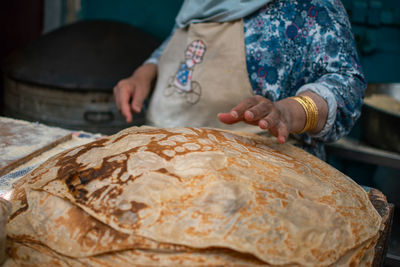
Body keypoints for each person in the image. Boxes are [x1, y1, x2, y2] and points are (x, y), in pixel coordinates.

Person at [113, 0, 366, 160]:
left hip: (253, 175)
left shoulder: (311, 7)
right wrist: (142, 75)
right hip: (162, 159)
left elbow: (346, 83)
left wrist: (288, 112)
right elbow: (174, 48)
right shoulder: (200, 3)